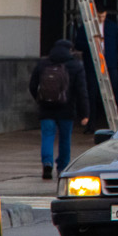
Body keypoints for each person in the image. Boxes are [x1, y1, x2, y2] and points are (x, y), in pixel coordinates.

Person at [29, 39, 89, 180]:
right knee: (64, 139)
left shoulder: (43, 64)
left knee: (47, 136)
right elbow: (82, 91)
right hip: (66, 109)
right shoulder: (75, 65)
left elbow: (32, 85)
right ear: (70, 50)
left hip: (46, 108)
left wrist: (39, 99)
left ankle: (47, 163)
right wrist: (85, 113)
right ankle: (62, 167)